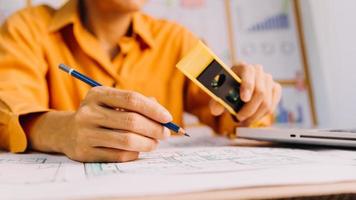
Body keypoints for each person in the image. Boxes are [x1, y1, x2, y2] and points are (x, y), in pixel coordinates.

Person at [0, 0, 281, 162]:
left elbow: (242, 123)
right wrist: (61, 130)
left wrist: (250, 102)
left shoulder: (176, 40)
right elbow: (6, 110)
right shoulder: (28, 28)